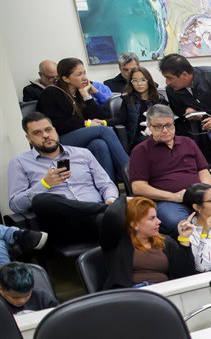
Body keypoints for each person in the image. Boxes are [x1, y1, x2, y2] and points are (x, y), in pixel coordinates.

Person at [9, 113, 116, 246]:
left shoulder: (83, 153)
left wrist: (111, 199)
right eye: (37, 133)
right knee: (41, 200)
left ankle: (107, 210)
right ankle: (107, 209)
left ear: (54, 130)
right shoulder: (19, 163)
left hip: (96, 218)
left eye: (48, 130)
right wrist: (44, 184)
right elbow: (16, 205)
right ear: (29, 138)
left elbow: (106, 184)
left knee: (107, 220)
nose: (45, 135)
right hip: (64, 224)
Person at [129, 103, 211, 234]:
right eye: (158, 126)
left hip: (200, 197)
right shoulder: (141, 151)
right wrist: (174, 196)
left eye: (169, 125)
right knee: (183, 224)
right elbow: (138, 187)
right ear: (149, 126)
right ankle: (202, 247)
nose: (165, 130)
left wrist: (204, 192)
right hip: (167, 201)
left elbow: (203, 171)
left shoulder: (187, 142)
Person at [35, 57, 131, 182]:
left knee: (99, 145)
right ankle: (133, 174)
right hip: (58, 139)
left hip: (79, 136)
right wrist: (86, 123)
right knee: (104, 130)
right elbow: (55, 125)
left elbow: (104, 117)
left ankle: (109, 189)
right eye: (79, 74)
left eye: (84, 72)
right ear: (66, 79)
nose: (85, 78)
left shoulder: (79, 93)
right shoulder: (51, 93)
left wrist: (87, 96)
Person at [101, 196, 196, 289]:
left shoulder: (166, 241)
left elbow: (185, 275)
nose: (159, 221)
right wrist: (123, 199)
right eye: (152, 218)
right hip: (133, 294)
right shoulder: (117, 242)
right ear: (135, 224)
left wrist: (184, 239)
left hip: (164, 291)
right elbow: (112, 214)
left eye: (156, 217)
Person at [119, 65, 165, 150]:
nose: (139, 84)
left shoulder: (159, 99)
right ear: (131, 83)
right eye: (135, 80)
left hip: (159, 134)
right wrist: (103, 122)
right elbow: (120, 119)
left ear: (149, 81)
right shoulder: (128, 99)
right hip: (137, 138)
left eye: (143, 80)